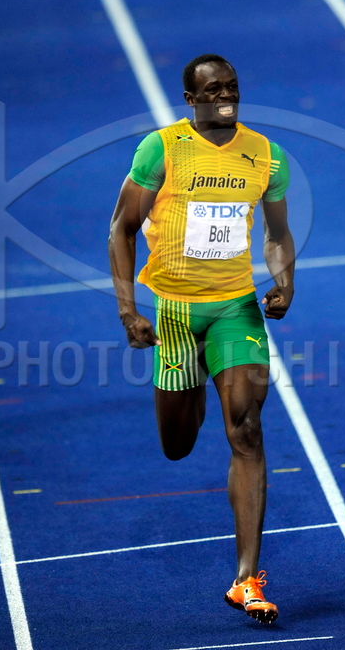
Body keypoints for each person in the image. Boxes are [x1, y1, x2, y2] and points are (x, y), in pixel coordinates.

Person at [109, 54, 294, 623]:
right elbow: (121, 228)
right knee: (178, 443)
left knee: (247, 429)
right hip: (174, 314)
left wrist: (285, 281)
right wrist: (128, 312)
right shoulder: (162, 149)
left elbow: (277, 233)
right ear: (191, 99)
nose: (225, 95)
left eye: (232, 86)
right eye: (212, 89)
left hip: (236, 308)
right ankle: (191, 386)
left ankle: (246, 579)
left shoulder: (265, 154)